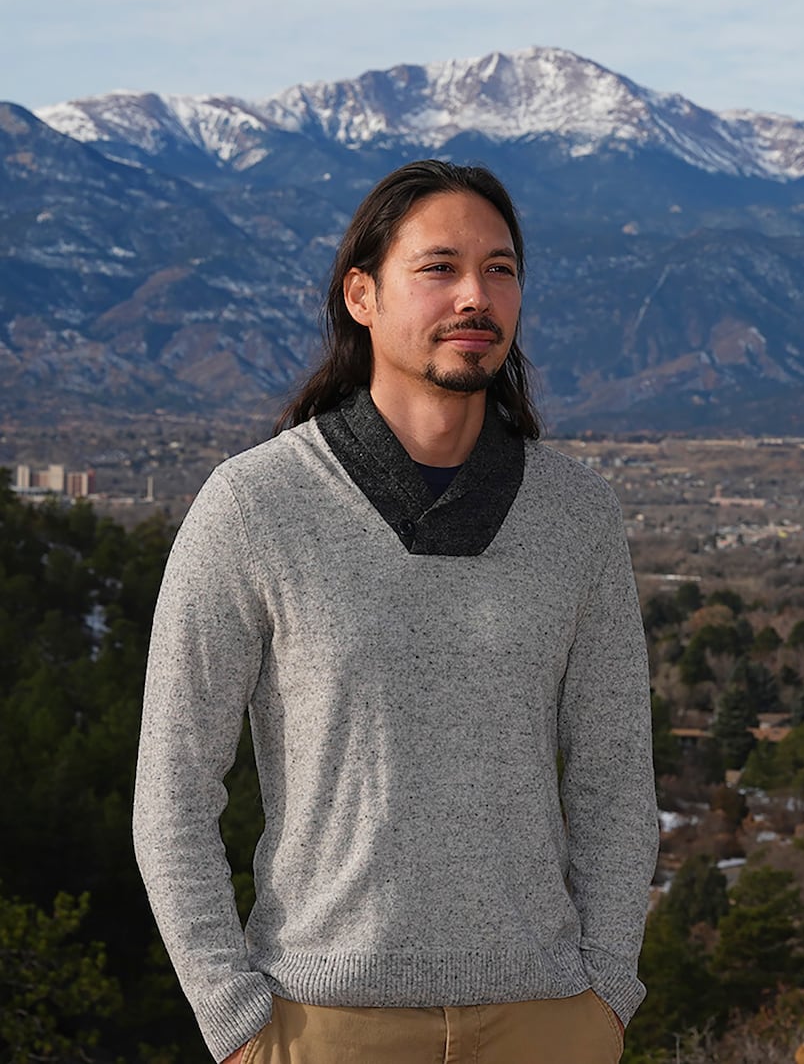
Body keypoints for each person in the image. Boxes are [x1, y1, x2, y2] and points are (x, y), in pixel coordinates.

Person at [134, 160, 657, 1064]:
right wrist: (235, 1019)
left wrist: (606, 989)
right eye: (440, 266)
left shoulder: (579, 515)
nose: (475, 295)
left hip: (546, 1021)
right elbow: (173, 787)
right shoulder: (255, 506)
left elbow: (616, 777)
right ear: (363, 295)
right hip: (322, 1024)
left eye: (500, 268)